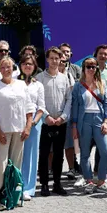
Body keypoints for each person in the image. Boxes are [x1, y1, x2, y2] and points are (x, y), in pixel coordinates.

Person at [0, 56, 35, 210]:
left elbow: (29, 108)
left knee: (16, 165)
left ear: (13, 68)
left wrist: (28, 127)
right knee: (0, 165)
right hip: (3, 130)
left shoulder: (21, 85)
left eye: (8, 67)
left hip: (19, 130)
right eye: (3, 67)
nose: (6, 70)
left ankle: (14, 195)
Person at [71, 57, 107, 194]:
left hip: (99, 119)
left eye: (93, 66)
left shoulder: (101, 83)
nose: (91, 69)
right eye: (88, 66)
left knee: (106, 152)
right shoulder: (78, 86)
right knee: (85, 153)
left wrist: (106, 121)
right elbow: (75, 106)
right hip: (84, 120)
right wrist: (74, 126)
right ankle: (88, 181)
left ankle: (101, 181)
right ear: (83, 68)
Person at [37, 47, 73, 196]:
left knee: (59, 154)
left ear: (61, 60)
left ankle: (57, 183)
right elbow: (37, 100)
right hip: (45, 122)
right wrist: (46, 116)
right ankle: (44, 184)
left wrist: (63, 117)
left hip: (60, 122)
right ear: (47, 59)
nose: (54, 61)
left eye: (57, 58)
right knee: (44, 154)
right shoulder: (40, 78)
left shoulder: (65, 78)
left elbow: (69, 99)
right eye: (51, 58)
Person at [19, 54, 46, 201]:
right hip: (17, 120)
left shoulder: (38, 85)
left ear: (35, 66)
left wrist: (33, 122)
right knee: (17, 154)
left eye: (30, 64)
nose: (27, 66)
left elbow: (41, 107)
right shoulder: (15, 82)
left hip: (34, 121)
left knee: (31, 154)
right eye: (25, 63)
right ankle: (15, 184)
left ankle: (28, 188)